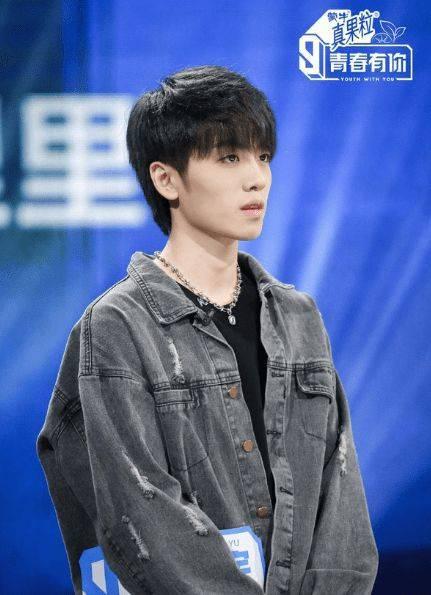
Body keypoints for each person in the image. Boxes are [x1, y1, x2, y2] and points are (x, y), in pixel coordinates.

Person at [36, 65, 379, 594]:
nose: (257, 177)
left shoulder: (298, 317)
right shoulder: (118, 326)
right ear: (166, 179)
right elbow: (139, 513)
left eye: (263, 156)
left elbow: (341, 495)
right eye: (229, 157)